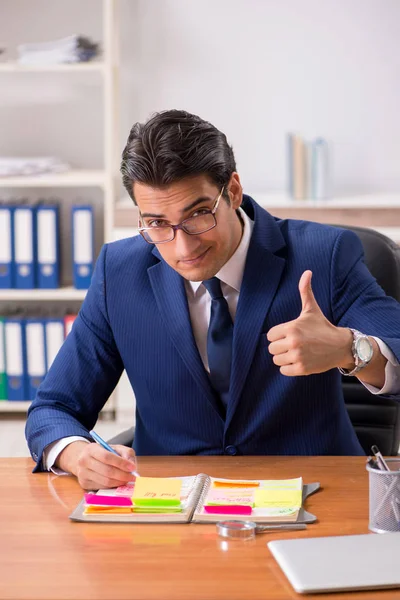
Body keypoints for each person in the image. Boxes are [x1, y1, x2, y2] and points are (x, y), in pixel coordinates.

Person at [26, 110, 400, 490]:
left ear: (233, 190)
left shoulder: (324, 255)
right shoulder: (119, 272)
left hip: (315, 495)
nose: (183, 247)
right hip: (174, 504)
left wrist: (351, 350)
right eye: (157, 223)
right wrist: (75, 453)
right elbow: (53, 408)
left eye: (199, 214)